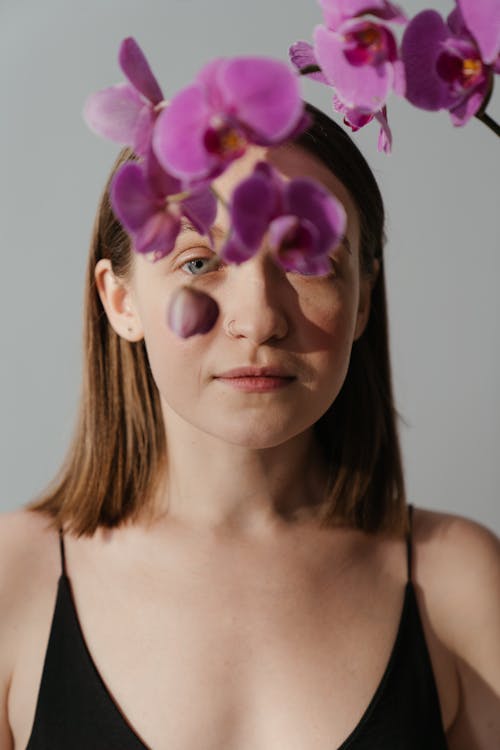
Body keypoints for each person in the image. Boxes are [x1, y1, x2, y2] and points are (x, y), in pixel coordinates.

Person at [0, 103, 499, 750]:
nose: (258, 318)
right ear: (121, 301)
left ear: (363, 299)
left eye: (306, 257)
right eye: (199, 263)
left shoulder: (460, 583)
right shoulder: (14, 579)